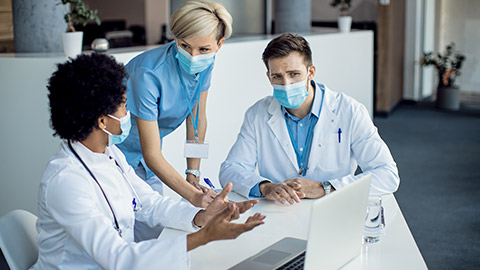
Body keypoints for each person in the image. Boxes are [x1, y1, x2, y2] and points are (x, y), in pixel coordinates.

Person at [31, 53, 265, 270]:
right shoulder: (66, 180)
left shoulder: (112, 155)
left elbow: (149, 204)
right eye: (123, 105)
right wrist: (205, 236)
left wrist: (202, 216)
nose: (128, 112)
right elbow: (117, 257)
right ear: (103, 121)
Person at [219, 33, 400, 204]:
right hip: (280, 210)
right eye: (277, 76)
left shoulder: (349, 111)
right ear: (269, 77)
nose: (286, 84)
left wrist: (324, 188)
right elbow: (230, 170)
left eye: (294, 74)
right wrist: (266, 187)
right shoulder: (257, 114)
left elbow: (387, 174)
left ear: (311, 72)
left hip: (333, 207)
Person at [117, 1, 232, 208]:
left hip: (148, 160)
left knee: (154, 226)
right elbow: (152, 154)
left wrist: (193, 174)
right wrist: (193, 195)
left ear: (219, 44)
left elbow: (197, 120)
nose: (193, 56)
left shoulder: (206, 62)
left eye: (203, 49)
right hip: (117, 155)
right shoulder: (148, 74)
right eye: (184, 45)